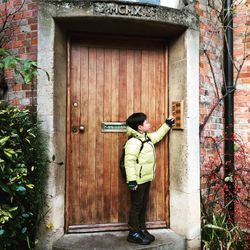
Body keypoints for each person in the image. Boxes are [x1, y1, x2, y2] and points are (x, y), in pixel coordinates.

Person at [124, 112, 175, 245]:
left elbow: (157, 136)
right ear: (140, 127)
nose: (149, 124)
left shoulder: (145, 138)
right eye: (146, 122)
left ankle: (141, 229)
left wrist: (167, 125)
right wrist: (132, 181)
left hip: (146, 179)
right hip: (137, 181)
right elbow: (129, 162)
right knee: (136, 206)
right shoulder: (134, 142)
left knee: (143, 204)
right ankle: (133, 232)